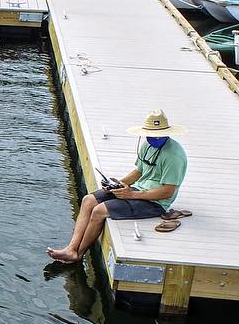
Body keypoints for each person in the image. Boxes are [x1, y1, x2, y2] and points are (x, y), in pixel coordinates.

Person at [47, 109, 190, 264]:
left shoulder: (174, 156)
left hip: (155, 203)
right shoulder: (147, 145)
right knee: (88, 200)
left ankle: (78, 254)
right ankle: (71, 248)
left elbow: (168, 192)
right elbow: (139, 171)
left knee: (99, 211)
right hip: (137, 191)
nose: (152, 137)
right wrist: (119, 184)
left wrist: (132, 195)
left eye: (156, 134)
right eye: (149, 133)